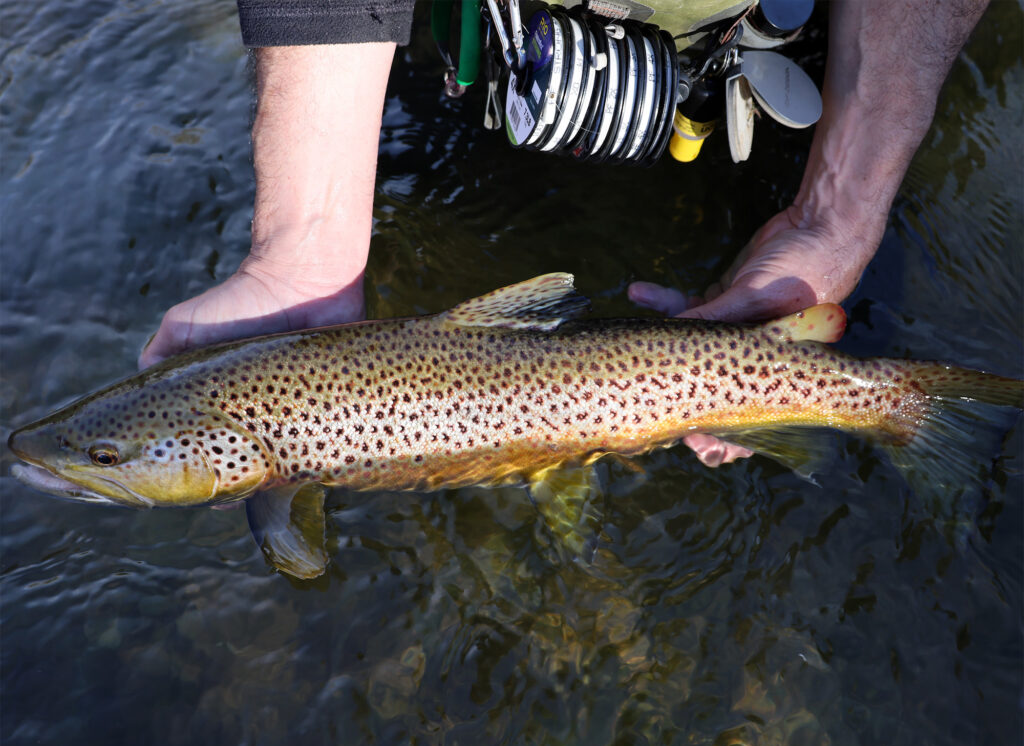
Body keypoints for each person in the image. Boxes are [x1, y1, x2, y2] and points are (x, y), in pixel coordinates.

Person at [138, 0, 990, 467]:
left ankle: (904, 406)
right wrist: (305, 246)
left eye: (113, 459)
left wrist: (837, 215)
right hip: (508, 55)